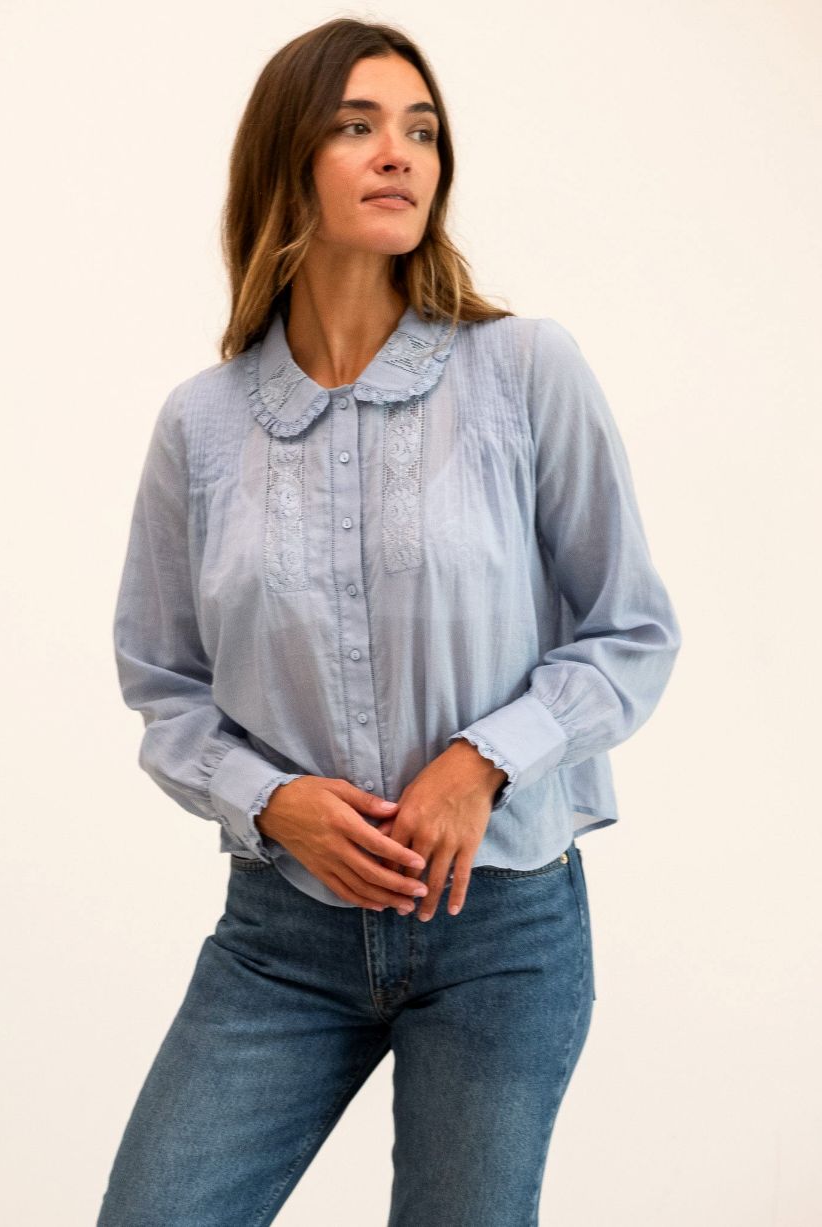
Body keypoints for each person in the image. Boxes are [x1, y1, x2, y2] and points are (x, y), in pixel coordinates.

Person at [96, 17, 681, 1227]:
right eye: (356, 126)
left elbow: (628, 631)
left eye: (419, 130)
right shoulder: (202, 424)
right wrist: (270, 799)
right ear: (285, 162)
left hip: (499, 929)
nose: (397, 153)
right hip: (280, 938)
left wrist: (481, 761)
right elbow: (163, 686)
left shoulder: (524, 370)